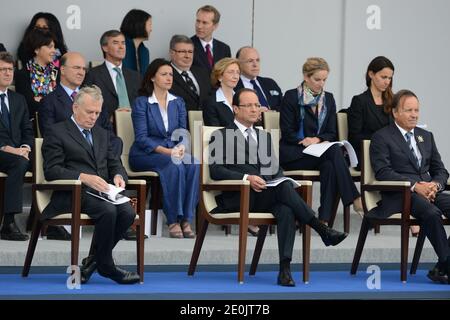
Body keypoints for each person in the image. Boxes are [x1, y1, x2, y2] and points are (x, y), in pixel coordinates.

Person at [208, 88, 348, 286]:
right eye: (249, 106)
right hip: (240, 196)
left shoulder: (263, 136)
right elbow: (215, 170)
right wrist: (246, 177)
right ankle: (320, 228)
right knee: (283, 192)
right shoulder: (221, 135)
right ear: (236, 109)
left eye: (257, 105)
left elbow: (275, 170)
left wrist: (283, 179)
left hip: (267, 195)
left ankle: (285, 270)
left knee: (286, 208)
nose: (255, 110)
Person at [41, 85, 140, 285]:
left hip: (103, 192)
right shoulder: (56, 132)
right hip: (72, 193)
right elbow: (51, 170)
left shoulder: (102, 133)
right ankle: (107, 265)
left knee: (128, 212)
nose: (93, 117)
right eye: (89, 112)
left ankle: (94, 263)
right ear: (75, 108)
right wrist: (83, 177)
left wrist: (120, 176)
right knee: (109, 211)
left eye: (97, 112)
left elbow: (114, 164)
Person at [370, 89, 450, 285]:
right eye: (408, 110)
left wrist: (434, 185)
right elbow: (383, 171)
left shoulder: (426, 136)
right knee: (431, 213)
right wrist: (415, 186)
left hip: (430, 191)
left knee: (433, 206)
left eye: (416, 110)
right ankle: (447, 264)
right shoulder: (382, 137)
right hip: (401, 194)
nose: (414, 114)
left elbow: (440, 169)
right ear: (395, 112)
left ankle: (443, 265)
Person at [279, 57, 363, 223]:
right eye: (317, 79)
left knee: (330, 165)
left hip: (319, 153)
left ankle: (323, 220)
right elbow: (287, 132)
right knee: (333, 152)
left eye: (324, 79)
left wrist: (317, 139)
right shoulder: (291, 96)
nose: (321, 84)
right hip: (295, 153)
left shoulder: (328, 99)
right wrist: (304, 140)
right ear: (306, 76)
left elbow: (332, 132)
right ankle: (355, 198)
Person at [129, 59, 200, 239]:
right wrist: (169, 152)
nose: (169, 78)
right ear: (152, 77)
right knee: (173, 164)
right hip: (145, 154)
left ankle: (186, 219)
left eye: (170, 74)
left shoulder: (178, 102)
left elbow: (183, 132)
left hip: (173, 152)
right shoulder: (142, 102)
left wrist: (182, 147)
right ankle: (173, 220)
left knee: (193, 163)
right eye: (164, 74)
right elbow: (142, 138)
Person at [39, 52, 123, 158]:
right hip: (73, 159)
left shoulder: (95, 97)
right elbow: (50, 136)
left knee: (117, 142)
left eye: (84, 69)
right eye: (76, 68)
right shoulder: (49, 101)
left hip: (101, 156)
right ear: (63, 70)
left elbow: (108, 132)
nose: (81, 72)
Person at [0, 52, 33, 241]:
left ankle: (47, 219)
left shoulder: (18, 99)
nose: (7, 73)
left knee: (49, 161)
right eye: (2, 69)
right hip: (3, 152)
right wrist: (8, 149)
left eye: (10, 69)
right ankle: (9, 222)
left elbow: (27, 130)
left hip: (18, 153)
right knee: (19, 163)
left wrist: (26, 147)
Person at [347, 56, 395, 167]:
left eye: (389, 78)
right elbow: (354, 137)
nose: (387, 82)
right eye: (383, 77)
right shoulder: (359, 101)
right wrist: (382, 140)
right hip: (368, 154)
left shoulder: (393, 101)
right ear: (371, 74)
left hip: (390, 153)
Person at [83, 30, 140, 120]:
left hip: (134, 127)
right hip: (106, 127)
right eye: (116, 43)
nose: (121, 47)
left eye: (123, 43)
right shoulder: (93, 75)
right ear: (105, 47)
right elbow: (87, 106)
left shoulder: (135, 76)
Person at [15, 28, 59, 120]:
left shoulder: (57, 72)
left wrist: (40, 100)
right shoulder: (22, 74)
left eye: (54, 47)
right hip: (33, 125)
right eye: (50, 47)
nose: (54, 51)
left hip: (57, 124)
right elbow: (28, 105)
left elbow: (61, 102)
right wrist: (49, 102)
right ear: (37, 49)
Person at [169, 35, 212, 113]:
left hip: (205, 123)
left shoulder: (203, 73)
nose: (187, 56)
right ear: (172, 53)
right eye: (182, 52)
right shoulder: (165, 74)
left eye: (190, 52)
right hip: (180, 123)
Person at [235, 46, 283, 111]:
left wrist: (269, 111)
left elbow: (283, 107)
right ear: (238, 63)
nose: (255, 64)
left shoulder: (270, 83)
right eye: (250, 61)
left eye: (257, 60)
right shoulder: (233, 85)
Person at [191, 5, 231, 74]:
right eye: (198, 21)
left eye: (204, 23)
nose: (199, 26)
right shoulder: (187, 46)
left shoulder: (224, 49)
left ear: (215, 26)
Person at [203, 57, 240, 126]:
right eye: (231, 72)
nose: (235, 76)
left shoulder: (243, 99)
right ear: (220, 77)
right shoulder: (210, 102)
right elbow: (215, 131)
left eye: (238, 72)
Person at [120, 9, 152, 77]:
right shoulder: (120, 47)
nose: (151, 29)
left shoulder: (144, 51)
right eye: (149, 25)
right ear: (139, 25)